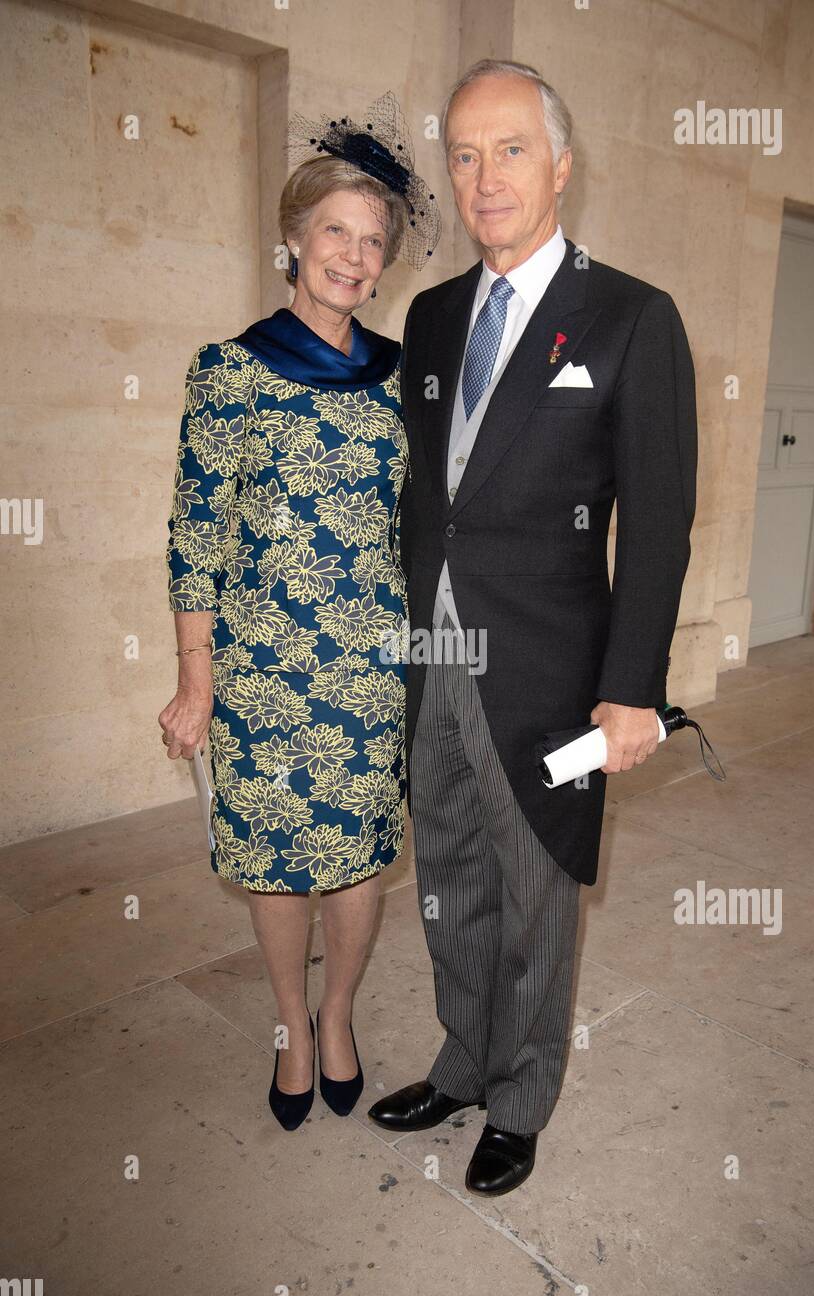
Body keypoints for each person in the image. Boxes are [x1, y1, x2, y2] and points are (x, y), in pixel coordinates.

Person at [368, 60, 698, 1196]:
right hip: (434, 657)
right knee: (449, 878)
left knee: (533, 892)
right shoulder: (430, 315)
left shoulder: (628, 316)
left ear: (560, 165)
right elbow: (423, 498)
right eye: (462, 153)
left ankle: (520, 1096)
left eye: (508, 148)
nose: (482, 175)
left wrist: (630, 690)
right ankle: (463, 1062)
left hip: (552, 672)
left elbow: (655, 525)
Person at [158, 93, 440, 1131]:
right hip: (260, 673)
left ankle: (336, 1014)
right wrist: (197, 679)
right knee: (276, 862)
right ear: (293, 237)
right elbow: (193, 535)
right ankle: (288, 1020)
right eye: (337, 232)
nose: (354, 258)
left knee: (360, 858)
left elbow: (429, 519)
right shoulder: (227, 372)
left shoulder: (397, 380)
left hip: (367, 671)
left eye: (372, 243)